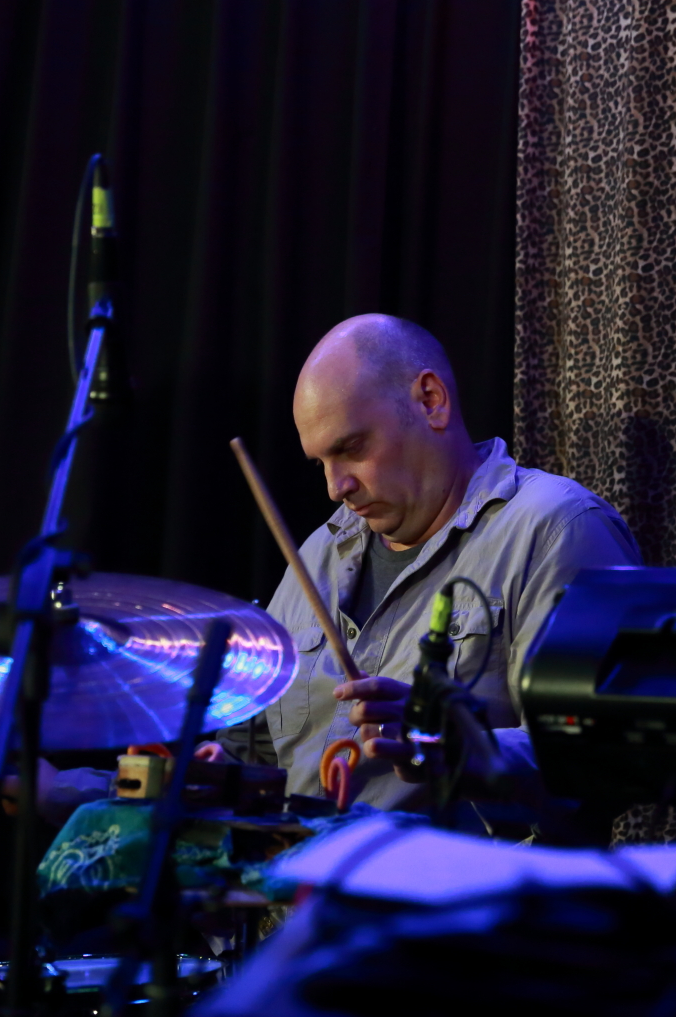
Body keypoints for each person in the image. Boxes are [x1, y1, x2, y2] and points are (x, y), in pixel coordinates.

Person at [204, 314, 642, 812]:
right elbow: (259, 751)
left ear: (431, 401)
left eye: (352, 448)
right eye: (321, 463)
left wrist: (446, 744)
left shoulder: (557, 529)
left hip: (462, 865)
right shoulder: (318, 552)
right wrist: (216, 771)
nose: (335, 486)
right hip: (299, 862)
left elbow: (603, 757)